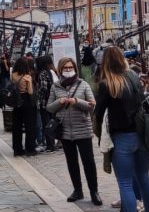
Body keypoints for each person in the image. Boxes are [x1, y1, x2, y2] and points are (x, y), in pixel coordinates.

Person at [95, 47, 149, 212]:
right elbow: (142, 100)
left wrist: (99, 133)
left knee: (125, 183)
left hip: (122, 137)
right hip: (141, 134)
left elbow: (98, 113)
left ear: (104, 63)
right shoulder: (134, 77)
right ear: (123, 59)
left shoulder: (107, 85)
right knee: (144, 178)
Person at [47, 57, 101, 205]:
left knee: (88, 162)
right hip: (64, 130)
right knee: (72, 162)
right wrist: (60, 102)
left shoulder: (83, 85)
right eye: (66, 68)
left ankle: (94, 191)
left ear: (75, 69)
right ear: (60, 70)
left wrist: (77, 102)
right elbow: (49, 107)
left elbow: (92, 105)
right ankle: (77, 190)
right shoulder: (55, 87)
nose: (68, 70)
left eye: (71, 68)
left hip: (83, 129)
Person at [11, 57, 37, 156]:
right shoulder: (27, 77)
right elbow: (30, 92)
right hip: (26, 101)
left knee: (16, 126)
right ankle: (30, 149)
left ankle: (17, 149)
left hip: (16, 101)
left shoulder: (13, 75)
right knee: (29, 126)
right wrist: (30, 82)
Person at [35, 55, 57, 152]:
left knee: (46, 123)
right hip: (51, 101)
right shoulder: (50, 72)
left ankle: (50, 144)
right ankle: (51, 143)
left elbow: (43, 88)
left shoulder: (42, 73)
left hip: (45, 102)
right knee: (51, 122)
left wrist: (38, 95)